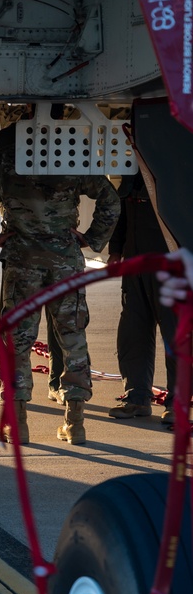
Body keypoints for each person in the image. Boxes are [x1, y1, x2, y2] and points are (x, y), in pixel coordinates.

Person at [0, 108, 120, 445]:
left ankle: (16, 424)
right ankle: (75, 424)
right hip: (66, 259)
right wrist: (92, 240)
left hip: (22, 261)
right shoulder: (71, 150)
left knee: (17, 340)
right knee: (73, 336)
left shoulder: (7, 150)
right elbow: (110, 200)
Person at [106, 174, 178, 425]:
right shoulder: (134, 170)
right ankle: (136, 397)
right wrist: (115, 249)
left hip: (172, 269)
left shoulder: (176, 163)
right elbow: (121, 213)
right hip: (135, 266)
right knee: (133, 333)